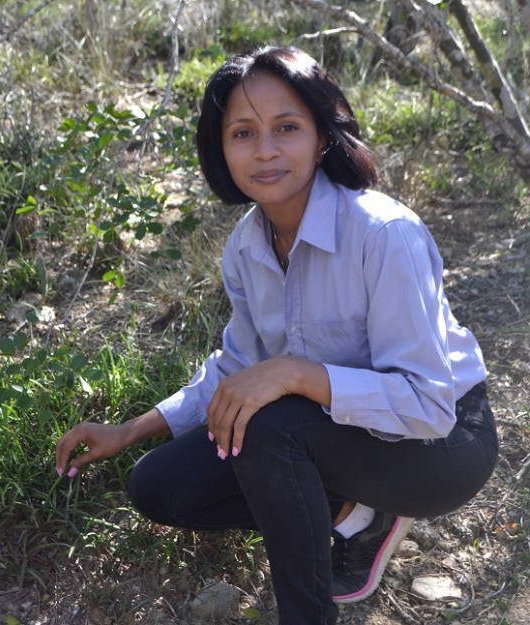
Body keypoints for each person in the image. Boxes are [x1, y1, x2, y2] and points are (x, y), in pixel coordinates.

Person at [55, 46, 499, 625]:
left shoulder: (385, 234)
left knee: (269, 426)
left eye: (286, 128)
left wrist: (294, 374)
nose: (264, 151)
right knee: (160, 485)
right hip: (337, 435)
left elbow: (429, 405)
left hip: (441, 448)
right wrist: (131, 429)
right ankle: (353, 511)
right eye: (243, 133)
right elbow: (235, 366)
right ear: (221, 150)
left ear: (321, 137)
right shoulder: (246, 245)